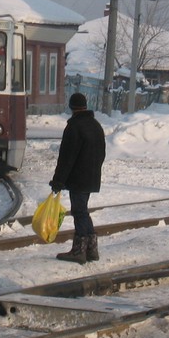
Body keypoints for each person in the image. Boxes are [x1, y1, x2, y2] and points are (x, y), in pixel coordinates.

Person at [50, 92, 106, 264]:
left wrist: (58, 180)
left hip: (78, 177)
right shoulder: (96, 125)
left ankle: (79, 250)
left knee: (79, 211)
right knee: (82, 211)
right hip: (92, 175)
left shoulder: (74, 127)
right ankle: (91, 249)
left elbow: (67, 157)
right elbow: (102, 152)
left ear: (71, 106)